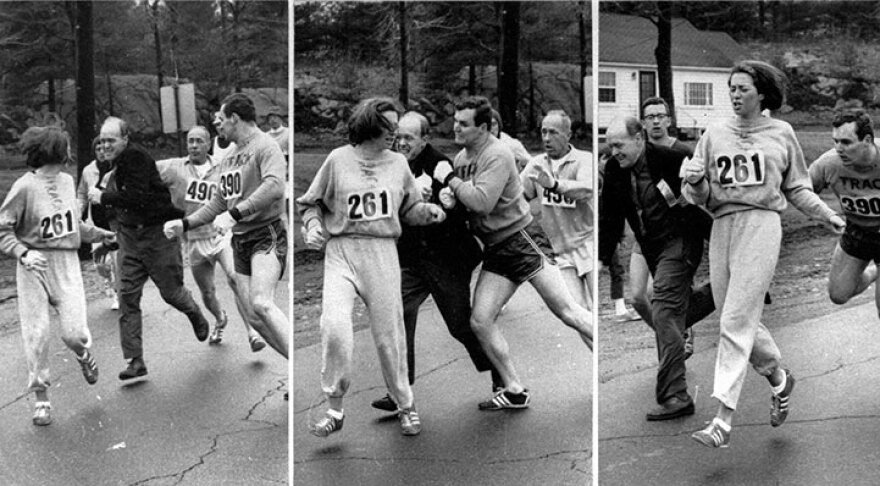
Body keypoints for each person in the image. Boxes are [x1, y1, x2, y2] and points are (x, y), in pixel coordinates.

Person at [682, 60, 845, 448]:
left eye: (742, 89)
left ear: (762, 94)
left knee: (736, 319)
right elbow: (700, 196)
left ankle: (722, 419)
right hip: (723, 225)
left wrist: (825, 215)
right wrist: (697, 182)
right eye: (731, 89)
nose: (735, 95)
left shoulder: (781, 132)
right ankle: (779, 378)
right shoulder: (715, 132)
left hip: (762, 224)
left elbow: (797, 187)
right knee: (735, 316)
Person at [297, 97, 448, 437]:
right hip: (342, 252)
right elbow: (310, 204)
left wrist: (428, 213)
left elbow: (409, 209)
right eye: (389, 127)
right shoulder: (338, 160)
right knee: (334, 326)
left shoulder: (397, 164)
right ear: (369, 125)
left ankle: (405, 405)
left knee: (388, 336)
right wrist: (311, 226)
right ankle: (334, 408)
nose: (395, 134)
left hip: (381, 252)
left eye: (397, 127)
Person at [432, 95, 593, 412]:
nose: (456, 128)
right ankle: (514, 389)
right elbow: (467, 204)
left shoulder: (498, 154)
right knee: (480, 320)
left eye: (464, 124)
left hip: (522, 240)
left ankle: (602, 362)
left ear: (482, 127)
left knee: (567, 311)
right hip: (496, 248)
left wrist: (449, 179)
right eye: (455, 121)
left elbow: (481, 202)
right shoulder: (464, 158)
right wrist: (447, 197)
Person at [370, 111, 502, 412]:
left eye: (409, 138)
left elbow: (459, 215)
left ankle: (502, 376)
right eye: (398, 136)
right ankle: (399, 391)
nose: (401, 143)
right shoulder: (392, 163)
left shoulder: (439, 164)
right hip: (412, 259)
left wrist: (436, 202)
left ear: (424, 139)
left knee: (460, 325)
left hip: (446, 259)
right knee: (398, 314)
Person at [602, 115, 715, 421]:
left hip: (682, 240)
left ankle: (675, 395)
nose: (614, 151)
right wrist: (602, 256)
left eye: (618, 144)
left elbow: (704, 198)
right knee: (670, 313)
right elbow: (610, 215)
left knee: (664, 307)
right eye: (609, 145)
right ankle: (719, 291)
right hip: (651, 246)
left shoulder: (672, 158)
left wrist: (722, 243)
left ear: (639, 139)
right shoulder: (614, 168)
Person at [0, 126, 115, 425]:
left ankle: (83, 353)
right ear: (55, 151)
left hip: (66, 263)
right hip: (34, 267)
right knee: (36, 334)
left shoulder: (66, 182)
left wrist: (103, 235)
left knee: (74, 333)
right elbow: (3, 230)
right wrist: (23, 253)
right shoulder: (24, 187)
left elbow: (73, 225)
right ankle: (42, 398)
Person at [164, 93, 290, 363]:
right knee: (255, 318)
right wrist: (184, 223)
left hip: (267, 232)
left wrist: (234, 214)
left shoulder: (265, 146)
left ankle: (295, 374)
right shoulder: (230, 157)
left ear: (235, 118)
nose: (219, 125)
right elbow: (219, 201)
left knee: (261, 303)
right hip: (241, 239)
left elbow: (275, 186)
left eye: (222, 119)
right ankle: (291, 362)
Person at [88, 116, 211, 381]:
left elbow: (137, 197)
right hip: (130, 238)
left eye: (111, 140)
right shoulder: (110, 163)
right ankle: (135, 361)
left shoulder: (135, 158)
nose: (106, 145)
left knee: (171, 294)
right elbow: (113, 206)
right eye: (103, 140)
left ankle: (194, 313)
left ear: (125, 138)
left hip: (157, 235)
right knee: (127, 297)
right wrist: (106, 236)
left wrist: (103, 197)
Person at [156, 125, 267, 352]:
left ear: (209, 144)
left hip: (220, 234)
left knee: (235, 279)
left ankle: (253, 332)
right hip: (194, 240)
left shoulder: (223, 167)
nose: (194, 146)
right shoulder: (174, 167)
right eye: (190, 141)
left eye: (199, 141)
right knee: (207, 293)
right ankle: (220, 317)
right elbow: (145, 171)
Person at [636, 97, 698, 357]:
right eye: (650, 117)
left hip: (676, 235)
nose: (656, 121)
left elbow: (695, 193)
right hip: (645, 233)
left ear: (669, 120)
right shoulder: (637, 151)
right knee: (638, 297)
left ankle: (674, 342)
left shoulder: (681, 151)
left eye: (660, 116)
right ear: (643, 123)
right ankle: (674, 333)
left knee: (660, 293)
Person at [520, 110, 594, 312]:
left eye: (553, 132)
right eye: (543, 132)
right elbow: (518, 197)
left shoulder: (584, 159)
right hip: (560, 250)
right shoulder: (536, 165)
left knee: (595, 310)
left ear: (568, 135)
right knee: (577, 312)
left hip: (588, 242)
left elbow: (586, 190)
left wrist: (554, 184)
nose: (546, 138)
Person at [810, 110, 880, 314]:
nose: (838, 148)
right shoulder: (829, 162)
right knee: (838, 295)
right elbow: (800, 189)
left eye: (846, 142)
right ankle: (874, 271)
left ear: (867, 140)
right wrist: (824, 214)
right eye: (835, 141)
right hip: (857, 230)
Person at [77, 135, 120, 310]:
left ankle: (118, 294)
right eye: (98, 149)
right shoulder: (88, 171)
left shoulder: (118, 168)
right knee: (100, 263)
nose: (102, 152)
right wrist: (78, 210)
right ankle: (108, 281)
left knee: (117, 261)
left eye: (104, 148)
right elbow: (81, 194)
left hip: (115, 222)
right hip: (95, 222)